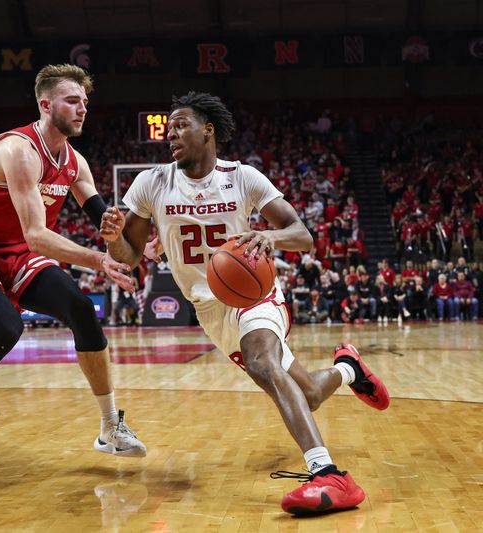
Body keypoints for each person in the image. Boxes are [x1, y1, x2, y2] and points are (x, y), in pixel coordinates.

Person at [104, 92, 390, 515]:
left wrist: (268, 237)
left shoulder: (243, 178)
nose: (171, 135)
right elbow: (128, 255)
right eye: (169, 128)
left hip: (253, 293)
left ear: (209, 130)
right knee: (306, 394)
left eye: (181, 125)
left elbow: (302, 234)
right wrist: (115, 241)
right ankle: (348, 368)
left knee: (262, 363)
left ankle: (329, 474)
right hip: (209, 310)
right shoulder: (151, 182)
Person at [0, 64, 146, 468]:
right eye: (72, 101)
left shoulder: (75, 162)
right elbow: (37, 235)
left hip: (15, 255)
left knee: (82, 311)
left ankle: (108, 427)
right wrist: (99, 260)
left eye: (85, 102)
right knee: (7, 327)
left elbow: (103, 221)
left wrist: (128, 241)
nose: (82, 109)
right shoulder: (18, 150)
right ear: (45, 104)